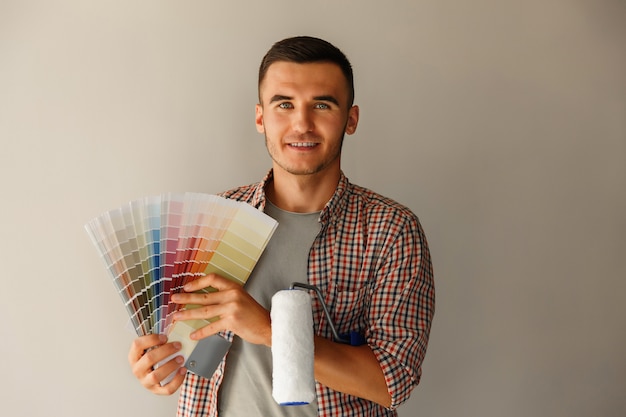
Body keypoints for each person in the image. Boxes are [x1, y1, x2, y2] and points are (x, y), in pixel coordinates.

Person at [127, 35, 435, 417]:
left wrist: (271, 331)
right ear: (260, 117)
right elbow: (194, 350)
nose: (301, 124)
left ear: (350, 119)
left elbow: (394, 381)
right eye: (284, 104)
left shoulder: (392, 231)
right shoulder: (215, 218)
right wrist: (159, 367)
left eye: (321, 105)